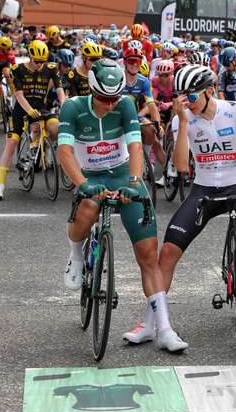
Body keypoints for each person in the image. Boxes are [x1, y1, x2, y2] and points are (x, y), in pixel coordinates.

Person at [127, 64, 236, 344]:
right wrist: (183, 121)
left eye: (192, 97)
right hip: (204, 190)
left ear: (210, 91)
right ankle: (150, 323)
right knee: (168, 251)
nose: (188, 104)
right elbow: (182, 166)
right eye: (182, 98)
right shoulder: (182, 119)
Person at [57, 59, 187, 352]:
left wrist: (132, 182)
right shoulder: (73, 108)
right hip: (89, 175)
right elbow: (64, 151)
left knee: (148, 254)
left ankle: (164, 329)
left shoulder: (126, 104)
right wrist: (82, 184)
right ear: (92, 90)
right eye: (104, 98)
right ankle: (76, 253)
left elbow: (135, 145)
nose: (110, 104)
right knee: (88, 208)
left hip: (121, 174)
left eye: (115, 97)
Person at [0, 40, 65, 200]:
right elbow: (18, 95)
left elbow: (60, 91)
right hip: (22, 109)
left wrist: (65, 106)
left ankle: (39, 146)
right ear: (30, 57)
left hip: (42, 108)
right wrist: (30, 111)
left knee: (56, 128)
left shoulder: (52, 68)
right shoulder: (17, 69)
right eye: (36, 61)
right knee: (11, 143)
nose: (40, 64)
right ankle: (0, 186)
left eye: (42, 61)